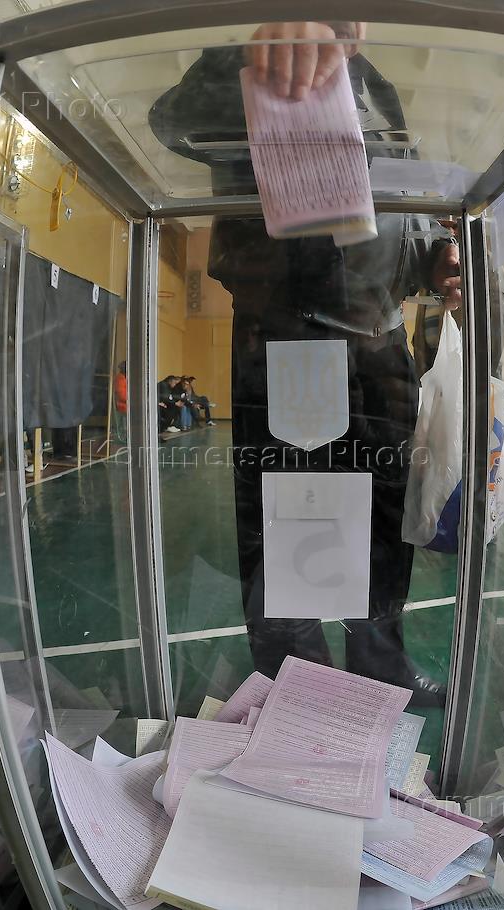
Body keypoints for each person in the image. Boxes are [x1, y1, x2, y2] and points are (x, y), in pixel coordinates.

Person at [150, 21, 461, 705]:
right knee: (285, 518)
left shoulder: (378, 90)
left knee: (383, 519)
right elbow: (173, 122)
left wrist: (435, 253)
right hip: (289, 334)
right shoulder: (258, 55)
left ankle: (380, 664)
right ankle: (296, 685)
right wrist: (248, 56)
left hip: (381, 340)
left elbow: (399, 210)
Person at [113, 361, 128, 443]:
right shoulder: (120, 379)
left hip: (126, 404)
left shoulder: (124, 378)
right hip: (123, 405)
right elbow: (122, 395)